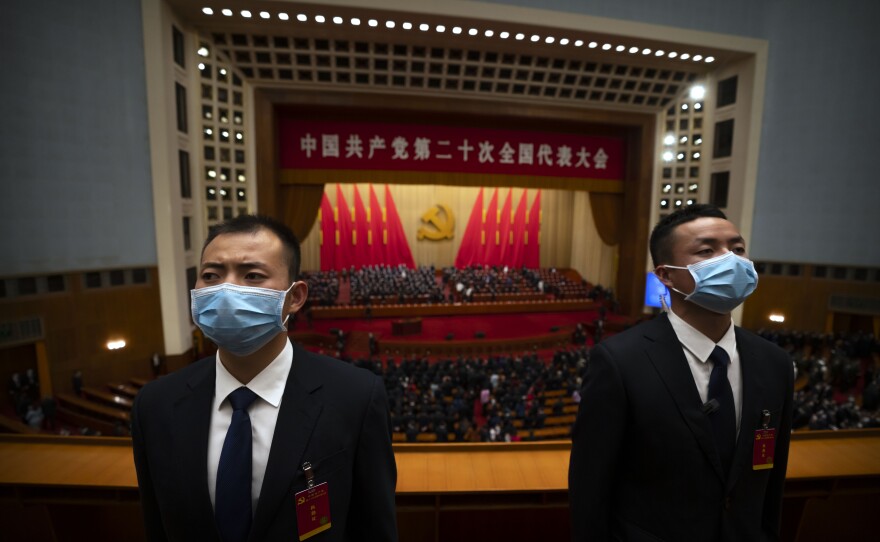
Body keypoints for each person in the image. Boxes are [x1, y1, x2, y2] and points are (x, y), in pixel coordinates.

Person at [132, 214, 398, 542]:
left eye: (252, 275)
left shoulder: (356, 396)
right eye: (211, 275)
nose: (227, 289)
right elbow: (157, 526)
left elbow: (374, 528)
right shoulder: (155, 404)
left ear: (295, 296)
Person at [569, 204, 793, 541]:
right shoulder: (619, 361)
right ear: (666, 274)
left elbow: (771, 481)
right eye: (707, 250)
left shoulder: (774, 362)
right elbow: (591, 484)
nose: (729, 260)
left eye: (737, 248)